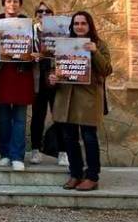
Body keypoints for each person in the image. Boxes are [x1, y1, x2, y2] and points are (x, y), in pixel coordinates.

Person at [49, 11, 112, 191]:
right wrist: (52, 78)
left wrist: (94, 52)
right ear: (72, 26)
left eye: (83, 23)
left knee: (89, 138)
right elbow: (55, 69)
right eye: (76, 23)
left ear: (89, 25)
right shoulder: (64, 45)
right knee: (69, 139)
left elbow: (107, 69)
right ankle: (75, 174)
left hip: (88, 100)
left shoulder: (99, 44)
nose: (79, 26)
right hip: (66, 99)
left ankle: (92, 176)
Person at [0, 0, 37, 171]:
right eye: (9, 1)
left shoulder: (28, 24)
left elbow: (36, 47)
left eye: (15, 1)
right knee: (3, 117)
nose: (12, 4)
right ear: (4, 3)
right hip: (2, 74)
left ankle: (17, 155)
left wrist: (34, 54)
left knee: (19, 117)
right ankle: (5, 153)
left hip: (21, 74)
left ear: (20, 4)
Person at [30, 1, 68, 166]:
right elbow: (22, 52)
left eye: (47, 11)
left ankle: (63, 152)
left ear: (52, 14)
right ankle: (35, 150)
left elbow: (70, 52)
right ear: (36, 14)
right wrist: (32, 56)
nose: (43, 13)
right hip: (38, 79)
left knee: (59, 116)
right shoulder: (30, 32)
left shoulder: (62, 31)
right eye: (40, 11)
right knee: (38, 116)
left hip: (56, 79)